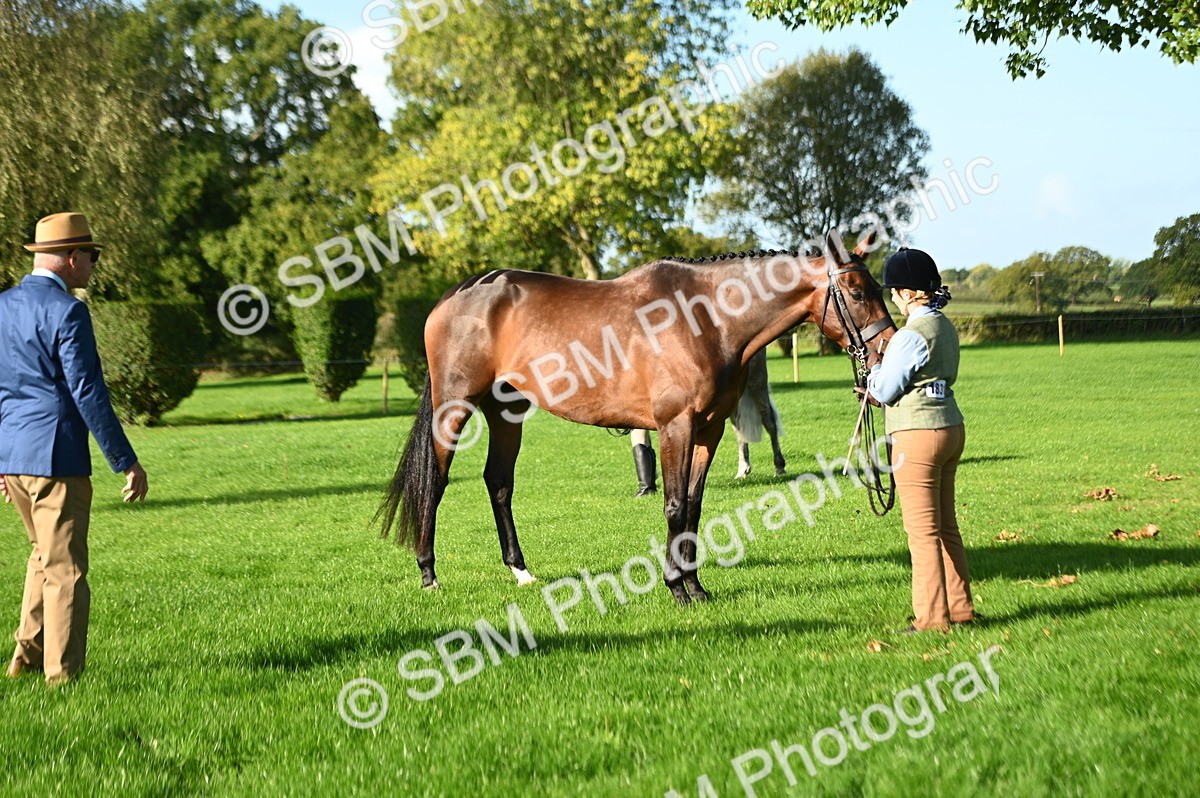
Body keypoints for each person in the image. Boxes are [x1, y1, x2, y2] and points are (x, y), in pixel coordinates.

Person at [0, 212, 149, 687]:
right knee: (65, 570)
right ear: (70, 258)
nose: (93, 264)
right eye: (91, 255)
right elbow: (88, 392)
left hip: (14, 459)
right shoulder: (68, 312)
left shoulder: (2, 305)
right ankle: (62, 678)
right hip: (56, 458)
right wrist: (125, 460)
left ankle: (24, 657)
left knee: (42, 557)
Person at [864, 247, 973, 633]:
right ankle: (960, 609)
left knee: (922, 533)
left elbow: (888, 389)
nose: (892, 297)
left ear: (910, 294)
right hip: (950, 427)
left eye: (895, 291)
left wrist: (873, 373)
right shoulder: (944, 326)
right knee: (946, 528)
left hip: (918, 434)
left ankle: (931, 618)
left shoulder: (910, 335)